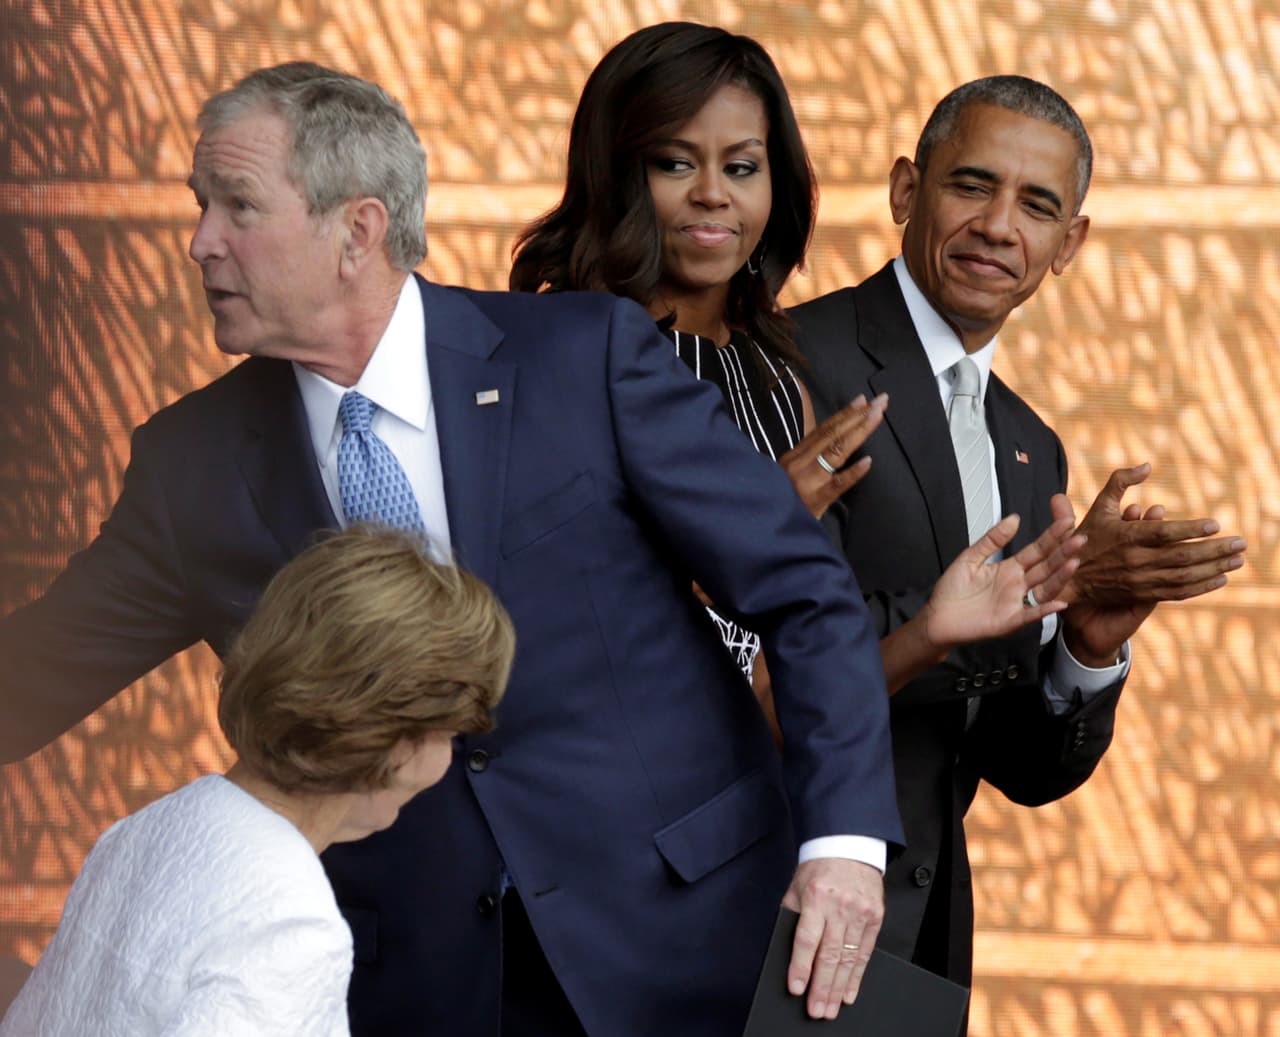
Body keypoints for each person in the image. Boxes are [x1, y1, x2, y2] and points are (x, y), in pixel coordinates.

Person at [0, 63, 900, 1036]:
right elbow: (32, 675)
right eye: (199, 205)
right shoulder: (192, 466)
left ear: (357, 229)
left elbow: (804, 592)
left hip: (689, 932)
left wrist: (844, 843)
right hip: (415, 984)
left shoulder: (583, 355)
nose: (200, 242)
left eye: (238, 207)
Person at [789, 75, 1249, 996]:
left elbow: (1019, 768)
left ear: (1068, 244)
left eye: (1037, 206)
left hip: (923, 942)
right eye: (973, 185)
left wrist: (1083, 648)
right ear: (905, 190)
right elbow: (767, 655)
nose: (999, 226)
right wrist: (988, 610)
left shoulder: (1030, 444)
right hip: (777, 903)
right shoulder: (790, 359)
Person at [510, 23, 1086, 730]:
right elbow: (537, 618)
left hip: (750, 794)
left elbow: (775, 699)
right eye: (674, 162)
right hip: (593, 778)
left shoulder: (779, 380)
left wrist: (930, 633)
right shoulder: (556, 357)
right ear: (617, 172)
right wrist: (737, 548)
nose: (713, 194)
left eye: (742, 168)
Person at [0, 525, 514, 1036]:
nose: (447, 758)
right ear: (399, 741)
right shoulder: (287, 924)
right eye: (453, 732)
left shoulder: (146, 830)